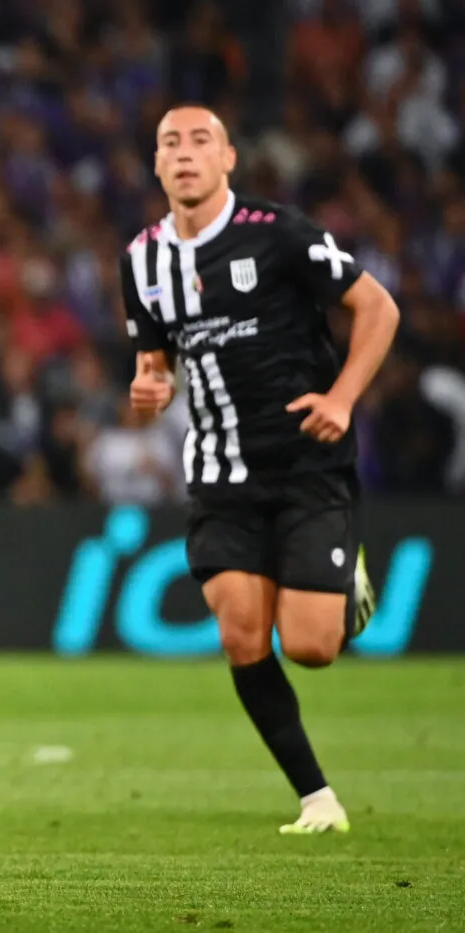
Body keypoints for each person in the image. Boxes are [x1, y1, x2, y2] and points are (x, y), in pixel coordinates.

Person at [120, 105, 400, 834]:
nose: (185, 154)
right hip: (221, 475)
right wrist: (151, 385)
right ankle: (317, 797)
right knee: (243, 633)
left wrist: (342, 397)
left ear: (229, 159)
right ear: (156, 166)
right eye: (170, 144)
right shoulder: (140, 260)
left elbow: (378, 307)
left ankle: (349, 589)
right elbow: (157, 363)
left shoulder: (278, 234)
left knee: (310, 646)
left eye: (200, 141)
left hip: (307, 461)